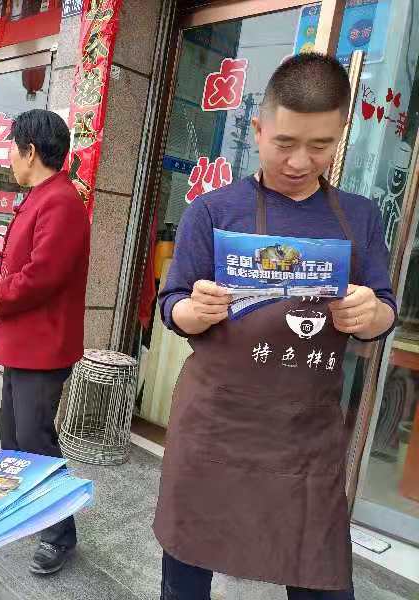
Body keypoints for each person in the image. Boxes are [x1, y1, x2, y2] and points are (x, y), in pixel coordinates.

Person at [154, 53, 397, 599]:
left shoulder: (358, 217)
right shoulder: (213, 211)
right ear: (259, 129)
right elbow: (171, 304)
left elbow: (383, 310)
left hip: (304, 437)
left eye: (321, 145)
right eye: (285, 142)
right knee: (186, 577)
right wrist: (193, 310)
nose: (300, 161)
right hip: (216, 428)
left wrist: (369, 315)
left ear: (341, 136)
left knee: (320, 580)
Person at [0, 109, 90, 575]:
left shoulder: (60, 201)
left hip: (43, 347)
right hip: (24, 344)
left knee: (35, 439)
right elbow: (20, 266)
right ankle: (29, 513)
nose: (9, 160)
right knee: (15, 437)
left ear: (31, 152)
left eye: (12, 150)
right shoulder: (45, 196)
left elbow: (41, 276)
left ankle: (60, 534)